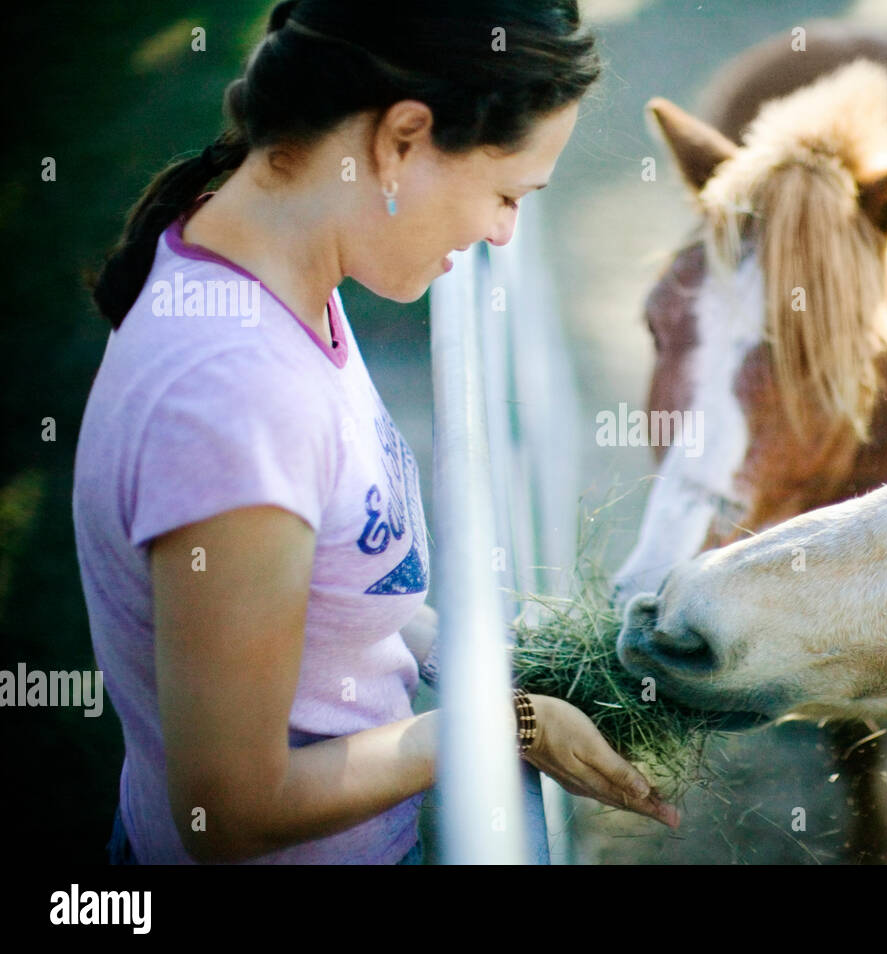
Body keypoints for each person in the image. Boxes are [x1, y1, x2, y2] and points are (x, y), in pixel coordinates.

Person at [75, 0, 679, 865]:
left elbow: (336, 604)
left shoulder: (276, 261)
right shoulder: (236, 402)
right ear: (401, 140)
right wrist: (504, 724)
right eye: (506, 195)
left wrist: (510, 664)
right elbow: (232, 806)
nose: (501, 236)